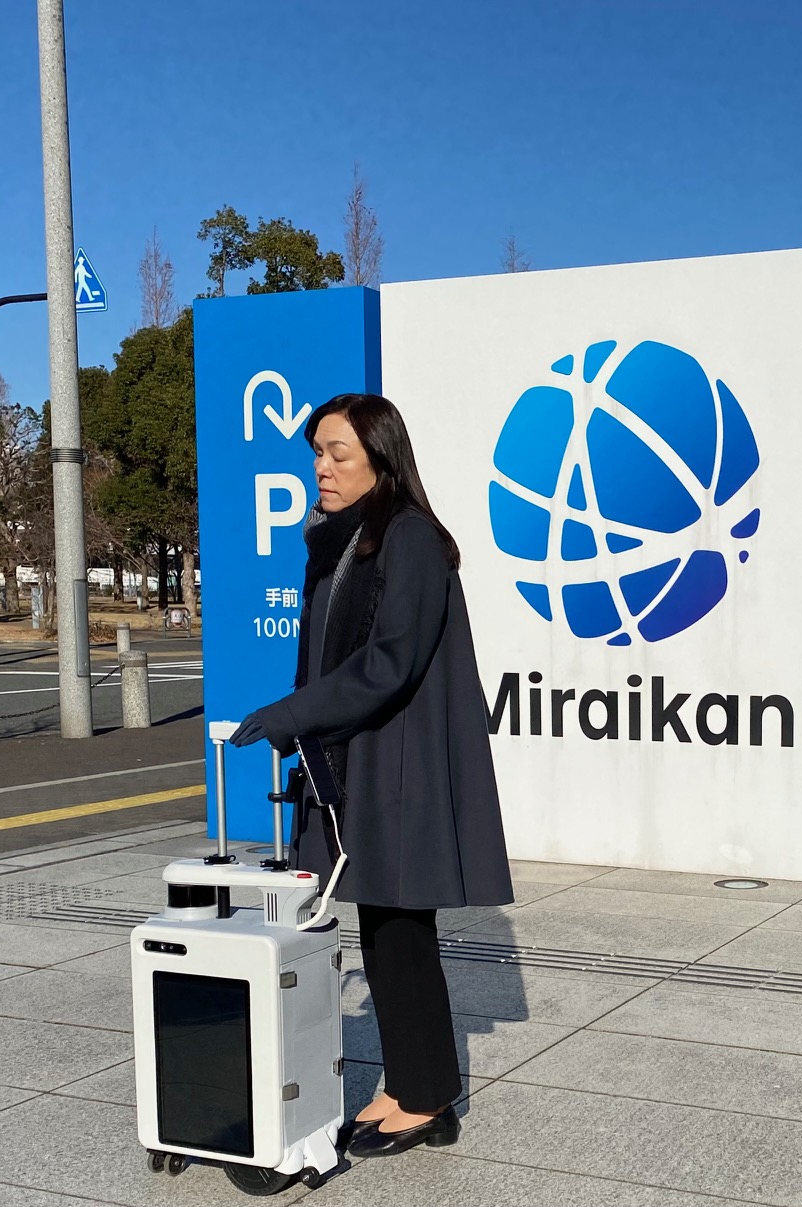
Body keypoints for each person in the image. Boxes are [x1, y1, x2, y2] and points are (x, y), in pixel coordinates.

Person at [232, 393, 513, 1160]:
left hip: (401, 761)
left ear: (381, 459)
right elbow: (327, 650)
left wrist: (296, 712)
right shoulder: (343, 539)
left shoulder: (409, 538)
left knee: (401, 928)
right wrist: (304, 723)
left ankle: (427, 1098)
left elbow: (390, 663)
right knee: (382, 927)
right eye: (316, 453)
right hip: (358, 757)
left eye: (336, 454)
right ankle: (409, 1083)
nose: (320, 467)